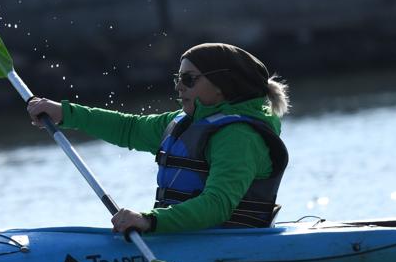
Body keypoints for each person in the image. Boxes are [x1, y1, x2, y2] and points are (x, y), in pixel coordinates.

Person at [26, 42, 289, 234]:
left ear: (222, 88)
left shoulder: (239, 137)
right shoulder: (183, 122)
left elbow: (217, 205)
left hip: (232, 243)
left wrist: (149, 220)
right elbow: (128, 128)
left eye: (188, 79)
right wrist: (65, 113)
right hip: (184, 238)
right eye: (178, 78)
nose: (178, 87)